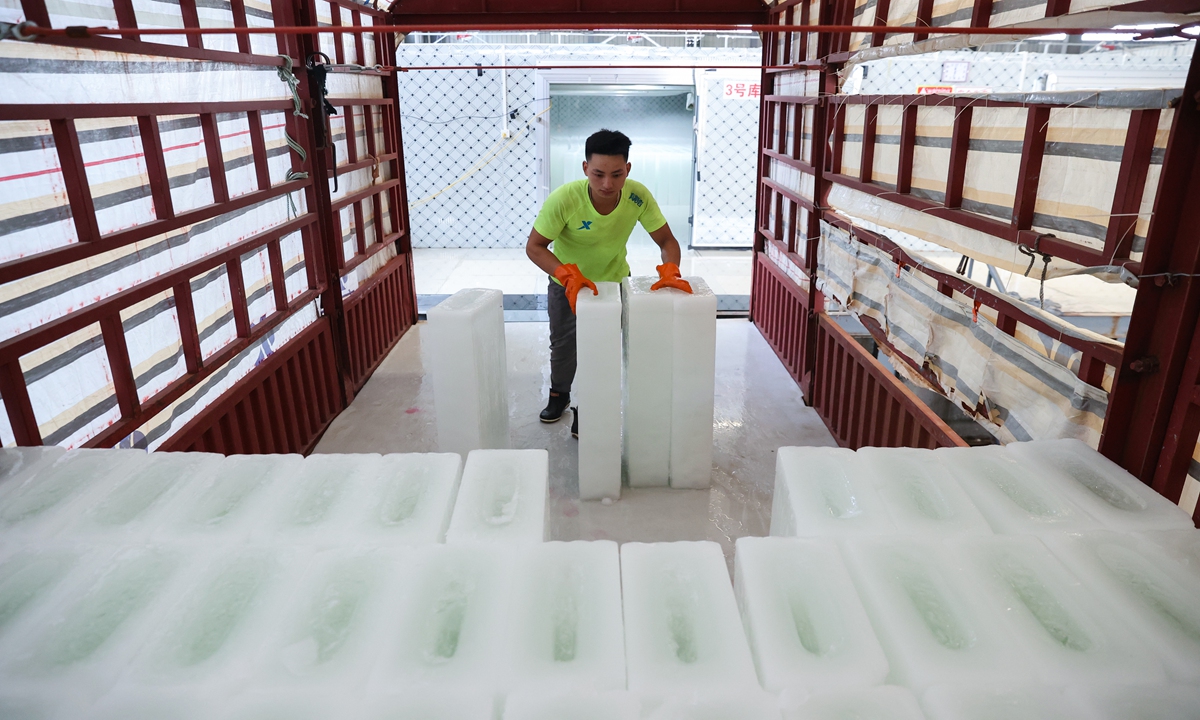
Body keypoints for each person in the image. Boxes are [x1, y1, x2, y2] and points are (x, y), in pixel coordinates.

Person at [525, 128, 692, 438]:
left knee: (601, 348)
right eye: (598, 174)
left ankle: (586, 407)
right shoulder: (565, 199)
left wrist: (671, 269)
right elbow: (535, 246)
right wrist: (566, 275)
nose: (607, 184)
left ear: (627, 169)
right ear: (585, 168)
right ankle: (560, 394)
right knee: (564, 347)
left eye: (617, 175)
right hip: (566, 286)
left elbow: (667, 239)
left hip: (612, 285)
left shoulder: (637, 195)